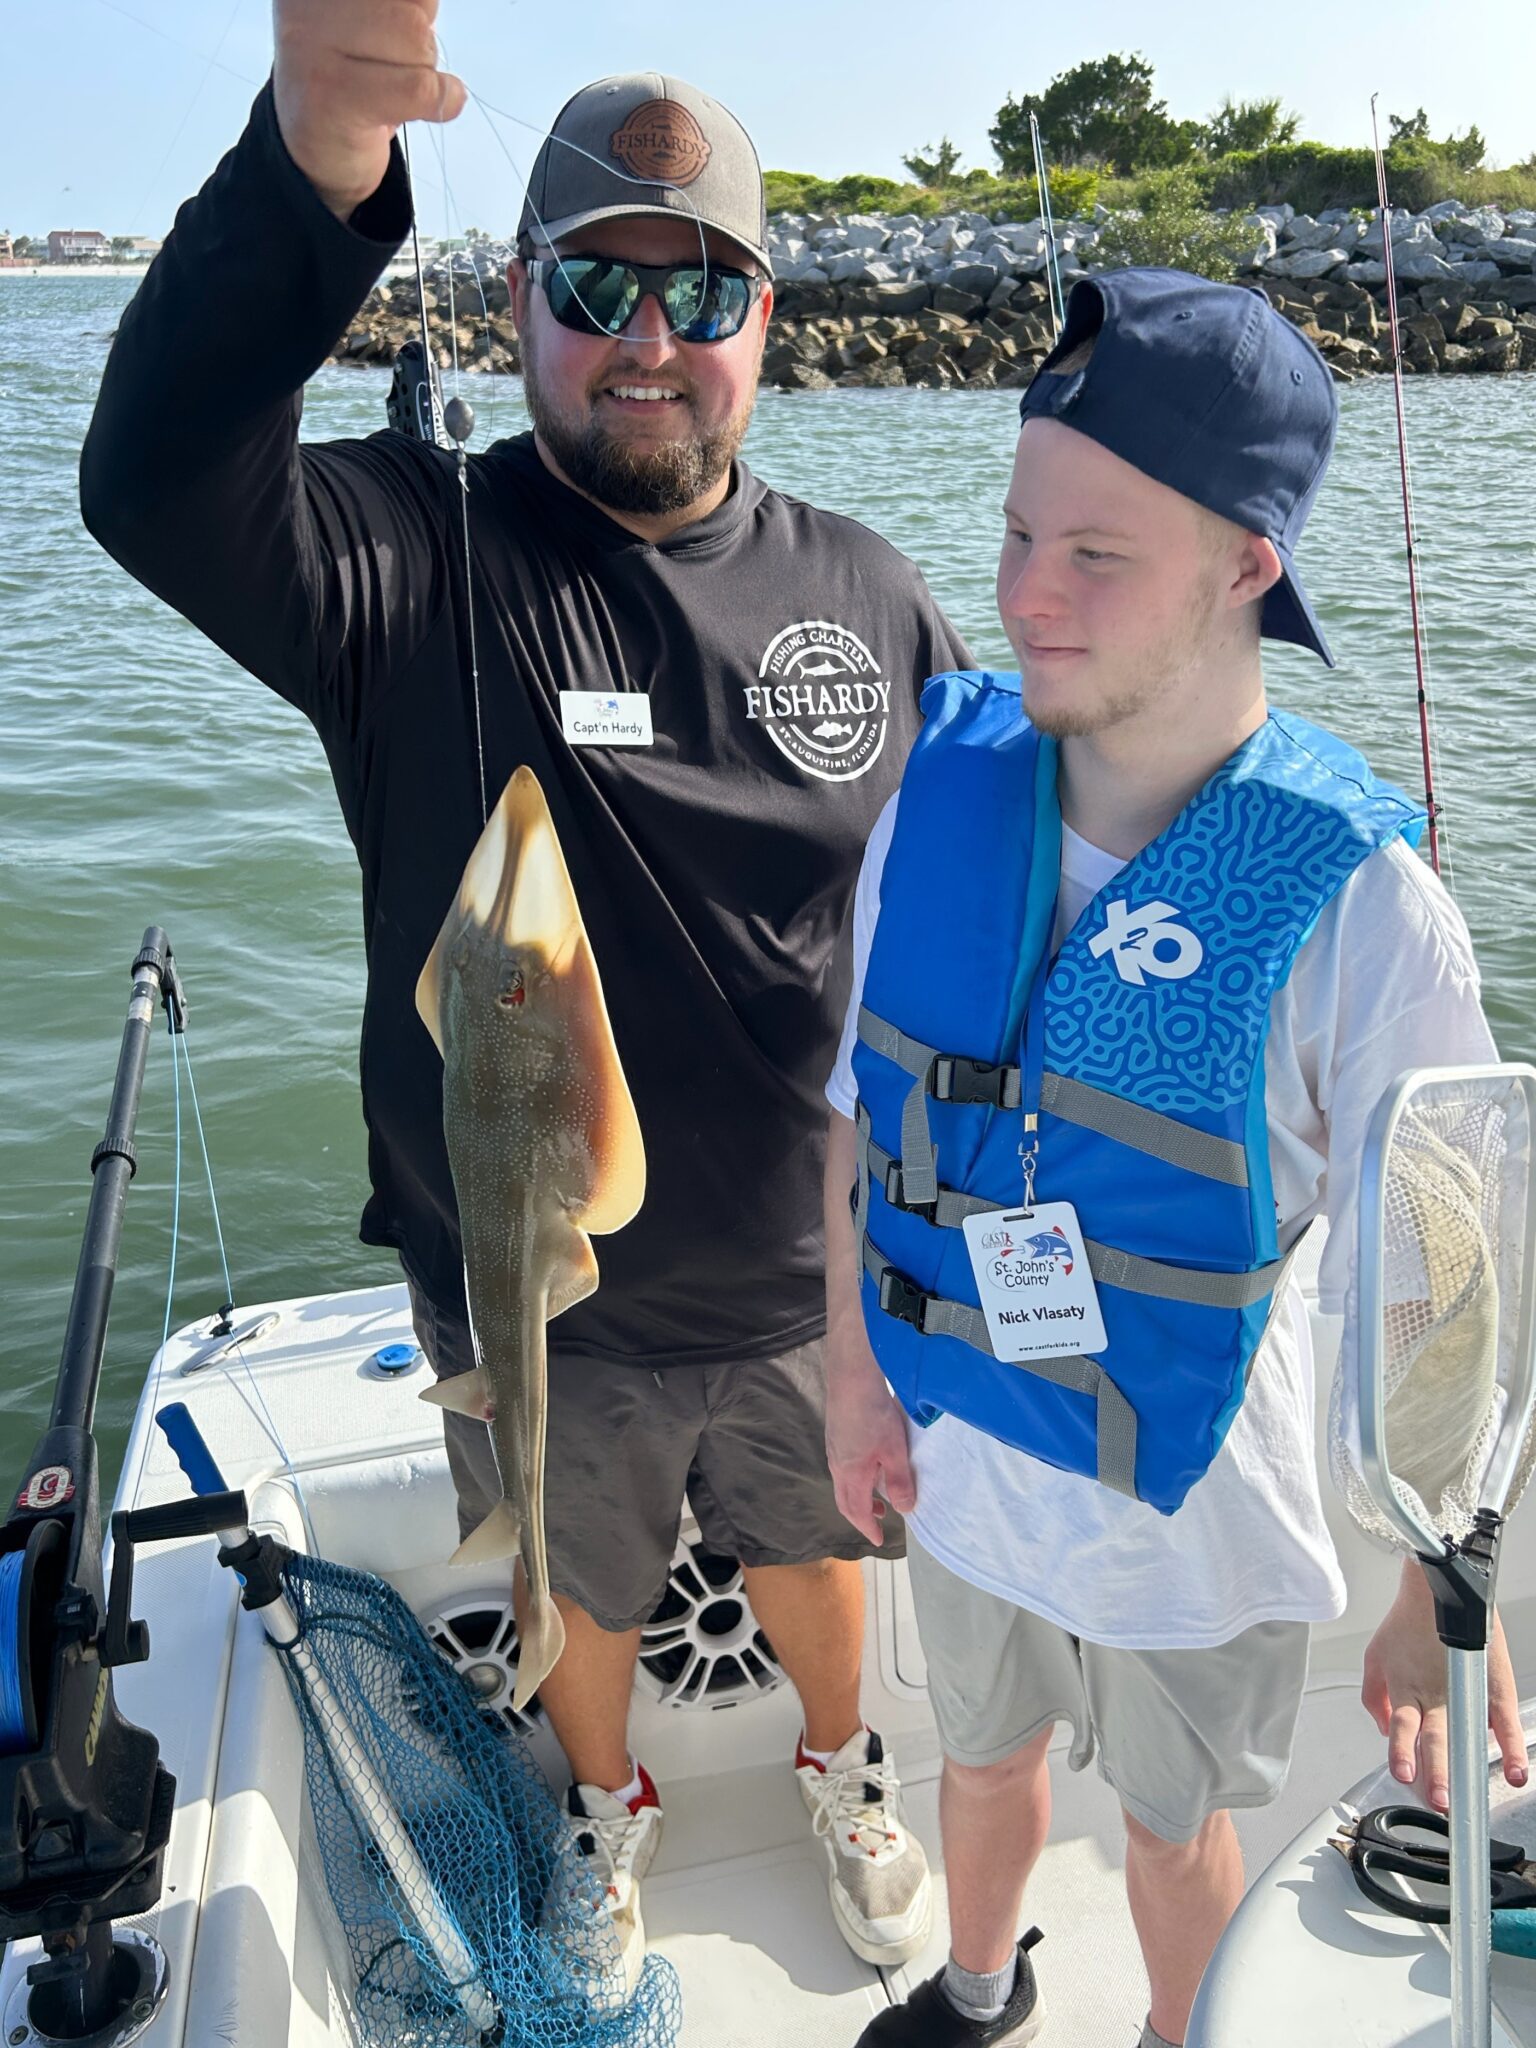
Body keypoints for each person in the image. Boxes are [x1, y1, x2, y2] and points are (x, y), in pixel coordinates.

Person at [80, 0, 966, 1991]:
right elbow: (149, 482)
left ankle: (846, 1765)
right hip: (515, 1274)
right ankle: (601, 1807)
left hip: (809, 1278)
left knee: (816, 1556)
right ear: (520, 298)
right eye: (597, 280)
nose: (649, 330)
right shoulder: (408, 559)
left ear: (764, 317)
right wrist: (314, 170)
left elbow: (974, 910)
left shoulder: (875, 592)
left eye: (701, 283)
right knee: (569, 1580)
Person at [821, 267, 1530, 2048]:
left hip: (1191, 1518)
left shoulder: (1371, 917)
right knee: (975, 1763)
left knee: (1167, 1824)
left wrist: (1432, 1588)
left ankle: (1175, 2035)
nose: (1027, 597)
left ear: (1246, 567)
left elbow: (1445, 1299)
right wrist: (850, 1372)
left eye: (1100, 557)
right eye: (1016, 536)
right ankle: (976, 1992)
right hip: (969, 1454)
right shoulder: (940, 792)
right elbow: (859, 1115)